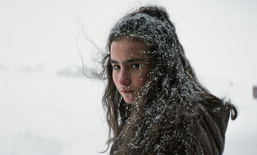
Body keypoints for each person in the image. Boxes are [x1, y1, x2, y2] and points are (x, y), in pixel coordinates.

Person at [97, 5, 237, 155]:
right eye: (116, 66)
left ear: (162, 68)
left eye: (135, 65)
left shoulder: (175, 136)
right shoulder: (172, 116)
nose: (122, 80)